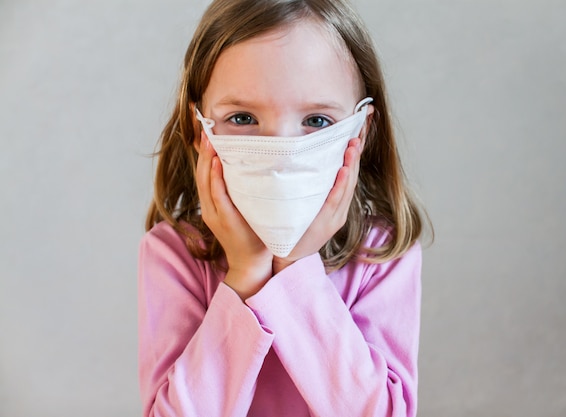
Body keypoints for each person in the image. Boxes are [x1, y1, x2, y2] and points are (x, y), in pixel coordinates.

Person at [138, 0, 431, 415]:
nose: (282, 153)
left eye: (316, 121)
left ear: (360, 132)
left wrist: (296, 268)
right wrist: (245, 276)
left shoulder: (381, 253)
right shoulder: (173, 254)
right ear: (198, 129)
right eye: (242, 118)